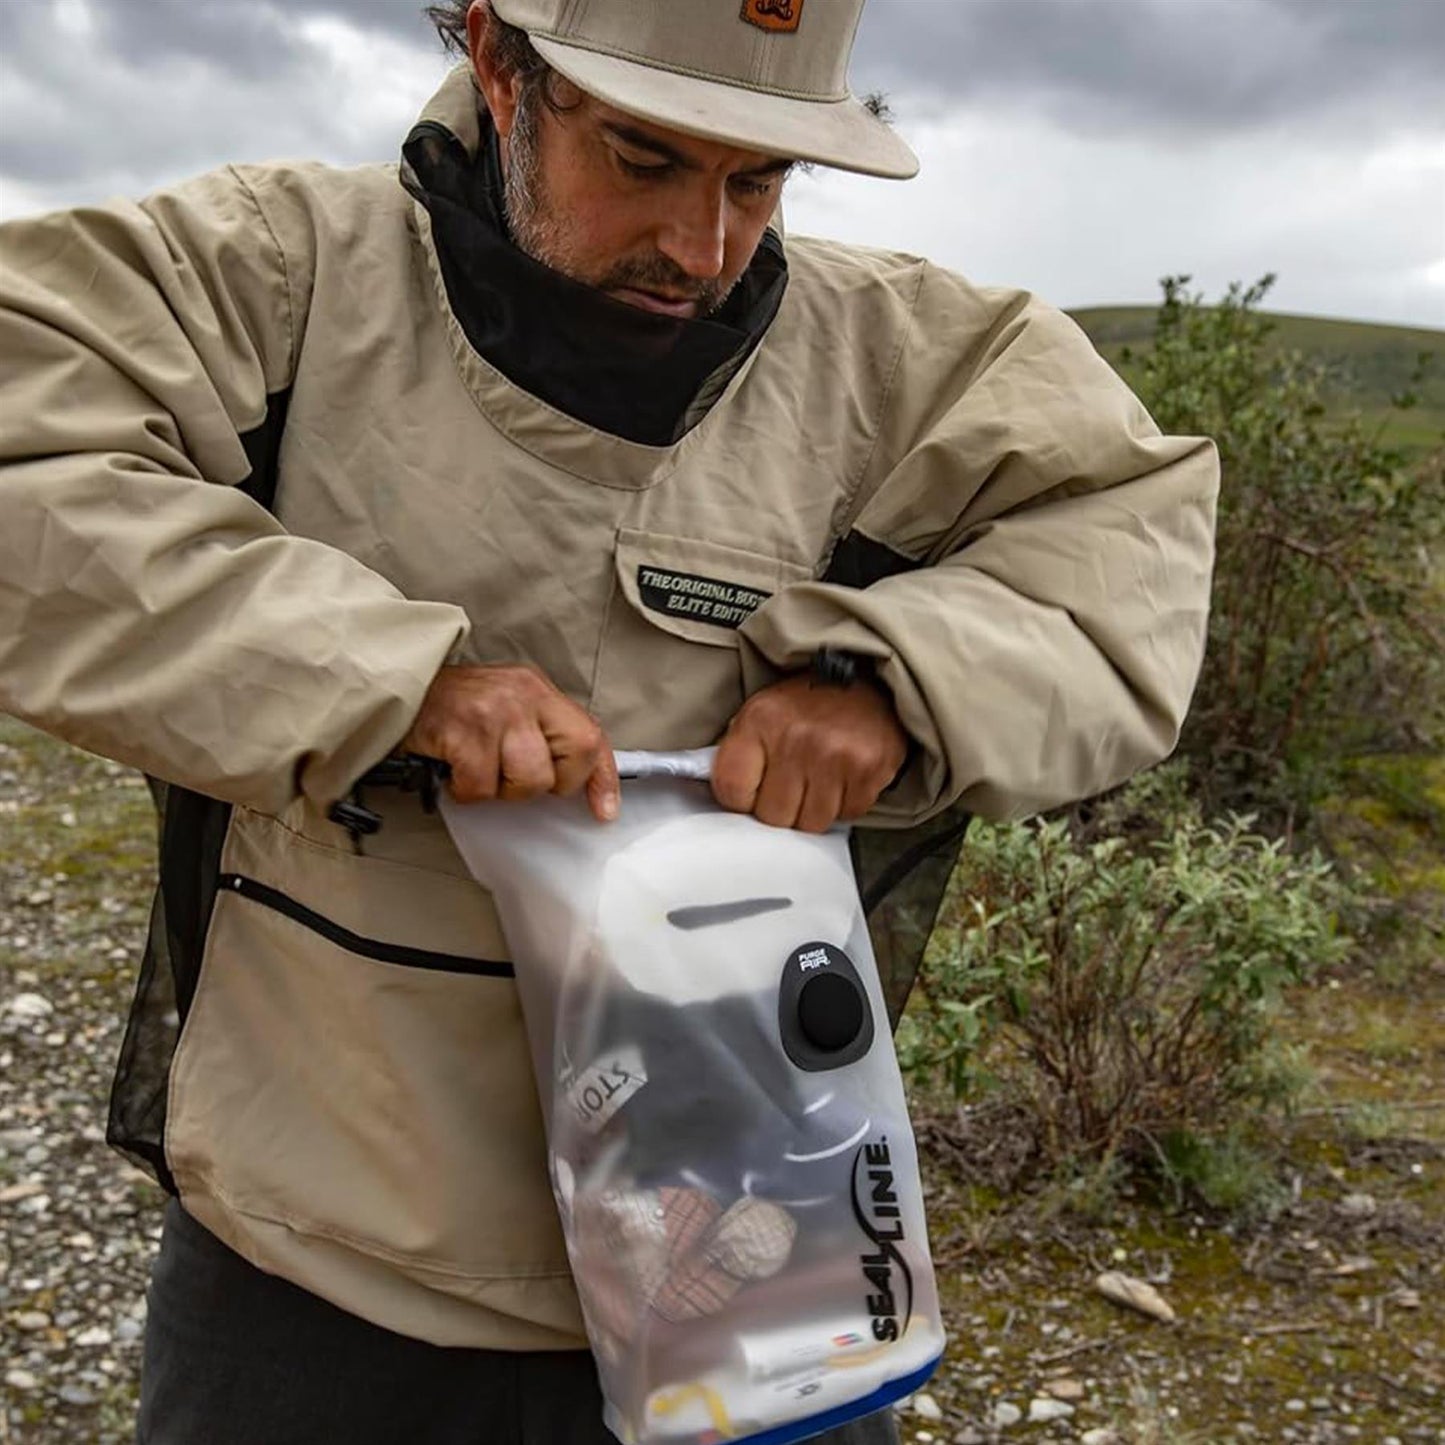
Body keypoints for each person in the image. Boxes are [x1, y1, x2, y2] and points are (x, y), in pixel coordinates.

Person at [0, 0, 1219, 1440]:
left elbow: (1124, 543)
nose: (703, 247)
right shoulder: (280, 271)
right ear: (499, 67)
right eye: (643, 158)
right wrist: (394, 684)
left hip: (762, 1265)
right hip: (316, 1270)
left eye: (758, 181)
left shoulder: (901, 355)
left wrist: (890, 683)